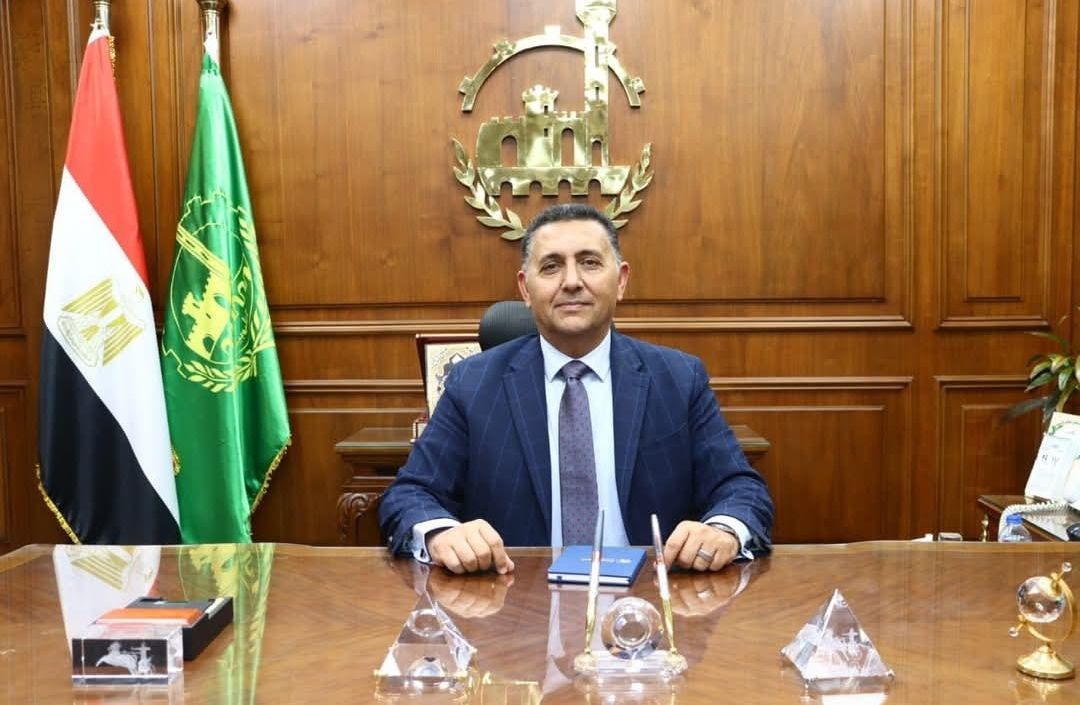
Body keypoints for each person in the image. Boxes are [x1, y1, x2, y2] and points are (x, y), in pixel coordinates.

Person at [378, 203, 774, 574]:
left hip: (649, 597)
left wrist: (722, 529)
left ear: (621, 280)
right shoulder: (473, 383)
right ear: (525, 289)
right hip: (514, 599)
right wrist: (442, 533)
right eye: (551, 267)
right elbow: (410, 494)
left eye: (589, 262)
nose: (571, 282)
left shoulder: (679, 377)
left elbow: (740, 488)